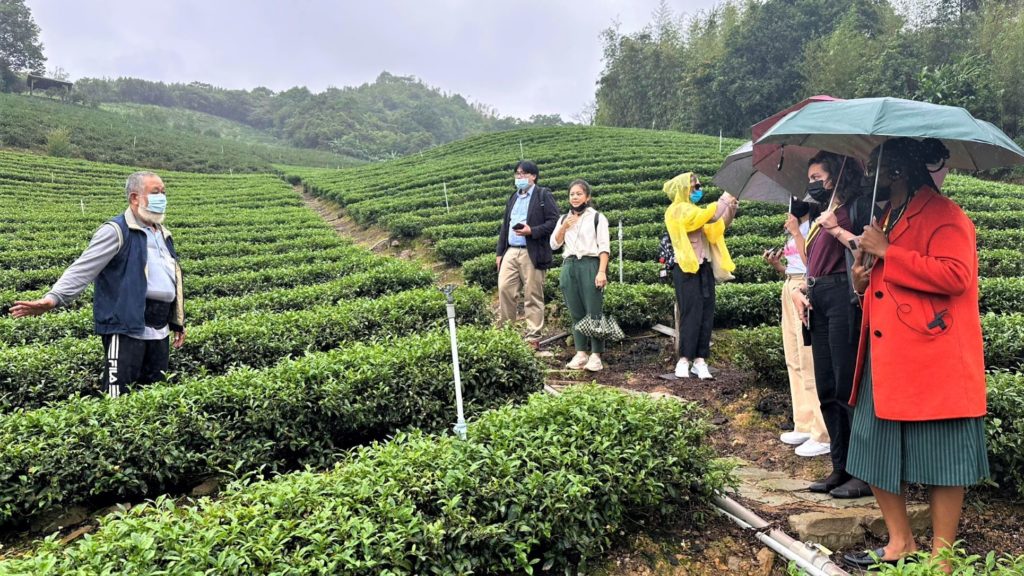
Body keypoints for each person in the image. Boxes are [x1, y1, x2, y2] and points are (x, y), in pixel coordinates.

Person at [842, 138, 989, 571]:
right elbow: (885, 283)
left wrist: (889, 251)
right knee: (871, 446)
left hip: (932, 357)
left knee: (944, 459)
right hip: (885, 355)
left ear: (899, 172)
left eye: (875, 168)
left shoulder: (945, 215)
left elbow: (957, 275)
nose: (869, 176)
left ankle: (942, 559)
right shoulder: (888, 215)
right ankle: (899, 543)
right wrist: (860, 280)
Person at [10, 171, 186, 398]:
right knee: (117, 397)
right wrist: (53, 298)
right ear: (134, 198)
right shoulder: (116, 231)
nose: (162, 197)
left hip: (159, 328)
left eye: (163, 192)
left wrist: (177, 321)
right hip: (125, 327)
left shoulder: (163, 234)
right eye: (155, 193)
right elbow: (84, 267)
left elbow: (169, 280)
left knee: (155, 398)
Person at [793, 151, 874, 498]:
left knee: (845, 386)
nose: (813, 184)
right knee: (825, 386)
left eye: (818, 177)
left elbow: (865, 250)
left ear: (837, 175)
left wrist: (837, 229)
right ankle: (839, 466)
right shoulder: (819, 215)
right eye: (810, 178)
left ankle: (862, 471)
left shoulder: (856, 209)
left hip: (845, 295)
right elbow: (814, 262)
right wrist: (801, 289)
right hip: (818, 296)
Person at [763, 202, 829, 458]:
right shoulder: (796, 224)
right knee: (794, 358)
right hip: (791, 285)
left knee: (808, 359)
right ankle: (804, 422)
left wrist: (797, 233)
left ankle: (822, 432)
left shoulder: (815, 225)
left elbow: (811, 261)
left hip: (806, 288)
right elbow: (796, 265)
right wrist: (779, 267)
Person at [662, 172, 737, 380]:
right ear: (683, 190)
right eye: (694, 187)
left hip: (704, 267)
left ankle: (700, 360)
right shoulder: (676, 211)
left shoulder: (697, 211)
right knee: (691, 313)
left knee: (706, 312)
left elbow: (716, 227)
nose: (698, 190)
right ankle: (684, 358)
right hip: (686, 268)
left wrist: (731, 206)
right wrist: (725, 197)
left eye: (699, 186)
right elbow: (707, 217)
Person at [495, 161, 560, 346]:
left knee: (533, 294)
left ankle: (533, 335)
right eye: (517, 174)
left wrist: (532, 230)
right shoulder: (513, 197)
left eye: (523, 174)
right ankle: (507, 332)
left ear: (533, 176)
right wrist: (500, 252)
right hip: (511, 250)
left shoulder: (542, 195)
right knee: (505, 289)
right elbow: (505, 226)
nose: (519, 177)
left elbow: (554, 221)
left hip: (532, 251)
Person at [550, 179, 610, 372]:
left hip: (590, 264)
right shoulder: (563, 219)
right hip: (569, 265)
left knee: (593, 311)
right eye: (572, 194)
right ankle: (581, 353)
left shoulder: (597, 218)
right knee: (576, 312)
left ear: (587, 197)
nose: (575, 197)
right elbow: (554, 245)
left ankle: (596, 354)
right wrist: (564, 227)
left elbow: (604, 248)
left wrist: (601, 271)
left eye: (579, 194)